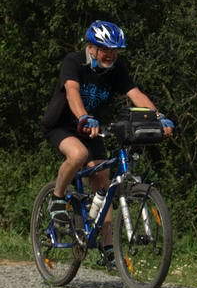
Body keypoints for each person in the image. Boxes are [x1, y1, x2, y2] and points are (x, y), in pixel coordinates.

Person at [40, 21, 174, 261]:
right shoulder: (74, 61)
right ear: (91, 47)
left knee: (104, 183)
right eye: (105, 50)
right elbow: (72, 91)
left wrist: (158, 117)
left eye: (115, 50)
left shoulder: (116, 68)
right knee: (79, 155)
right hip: (62, 125)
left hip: (92, 128)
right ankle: (57, 198)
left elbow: (135, 94)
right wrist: (83, 116)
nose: (111, 55)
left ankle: (108, 247)